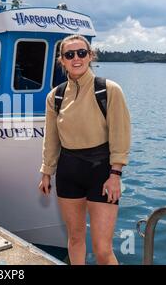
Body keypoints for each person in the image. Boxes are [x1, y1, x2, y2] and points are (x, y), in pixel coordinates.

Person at [38, 34, 131, 265]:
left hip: (102, 171)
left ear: (90, 56)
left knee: (102, 249)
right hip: (69, 170)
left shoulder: (109, 90)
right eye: (69, 55)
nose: (76, 58)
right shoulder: (55, 96)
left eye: (81, 53)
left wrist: (115, 175)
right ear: (62, 60)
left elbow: (120, 135)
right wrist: (46, 172)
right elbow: (51, 139)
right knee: (76, 239)